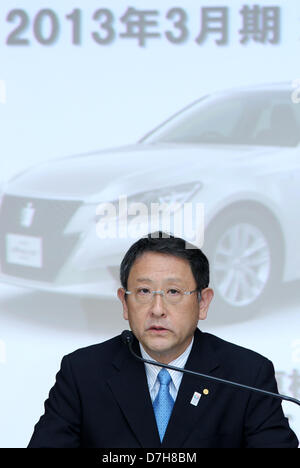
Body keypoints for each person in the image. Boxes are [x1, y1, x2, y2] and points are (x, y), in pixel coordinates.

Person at [28, 232, 299, 448]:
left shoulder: (247, 375)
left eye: (173, 291)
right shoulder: (83, 372)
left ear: (202, 303)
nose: (157, 309)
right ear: (124, 302)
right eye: (144, 291)